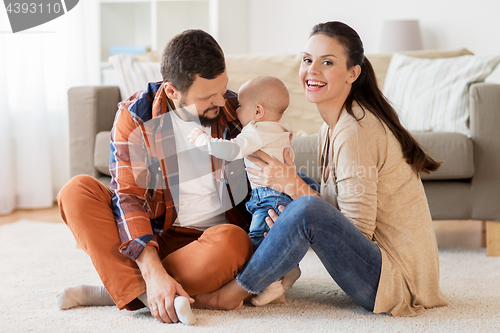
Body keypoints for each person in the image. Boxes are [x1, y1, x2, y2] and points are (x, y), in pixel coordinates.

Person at [189, 21, 449, 317]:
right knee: (295, 188)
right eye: (307, 60)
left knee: (304, 204)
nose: (312, 70)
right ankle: (275, 270)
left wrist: (294, 193)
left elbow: (357, 231)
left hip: (395, 282)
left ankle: (233, 293)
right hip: (379, 267)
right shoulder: (335, 125)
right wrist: (291, 195)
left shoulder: (355, 131)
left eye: (327, 62)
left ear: (353, 73)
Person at [56, 29, 255, 325]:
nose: (221, 101)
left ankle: (119, 289)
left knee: (235, 242)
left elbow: (266, 175)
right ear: (173, 91)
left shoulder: (236, 111)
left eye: (222, 88)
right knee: (75, 192)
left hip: (209, 244)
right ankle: (157, 293)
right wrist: (151, 269)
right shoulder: (136, 116)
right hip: (153, 237)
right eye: (207, 96)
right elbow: (129, 197)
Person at [187, 75, 302, 306]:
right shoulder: (281, 130)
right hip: (282, 194)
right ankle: (290, 270)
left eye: (240, 106)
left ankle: (270, 285)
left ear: (258, 111)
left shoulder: (257, 131)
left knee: (258, 241)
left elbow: (232, 150)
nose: (236, 110)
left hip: (267, 196)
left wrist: (203, 140)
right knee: (277, 237)